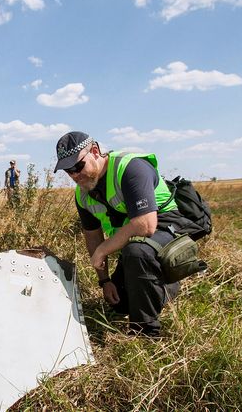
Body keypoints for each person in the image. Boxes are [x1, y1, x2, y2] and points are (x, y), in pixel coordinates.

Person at [54, 131, 197, 336]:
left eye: (78, 166)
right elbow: (93, 236)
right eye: (68, 171)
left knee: (137, 252)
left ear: (95, 151)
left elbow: (145, 225)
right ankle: (163, 285)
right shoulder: (83, 195)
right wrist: (105, 281)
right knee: (120, 302)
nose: (75, 175)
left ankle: (145, 332)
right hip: (133, 240)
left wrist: (104, 249)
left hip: (166, 226)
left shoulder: (130, 168)